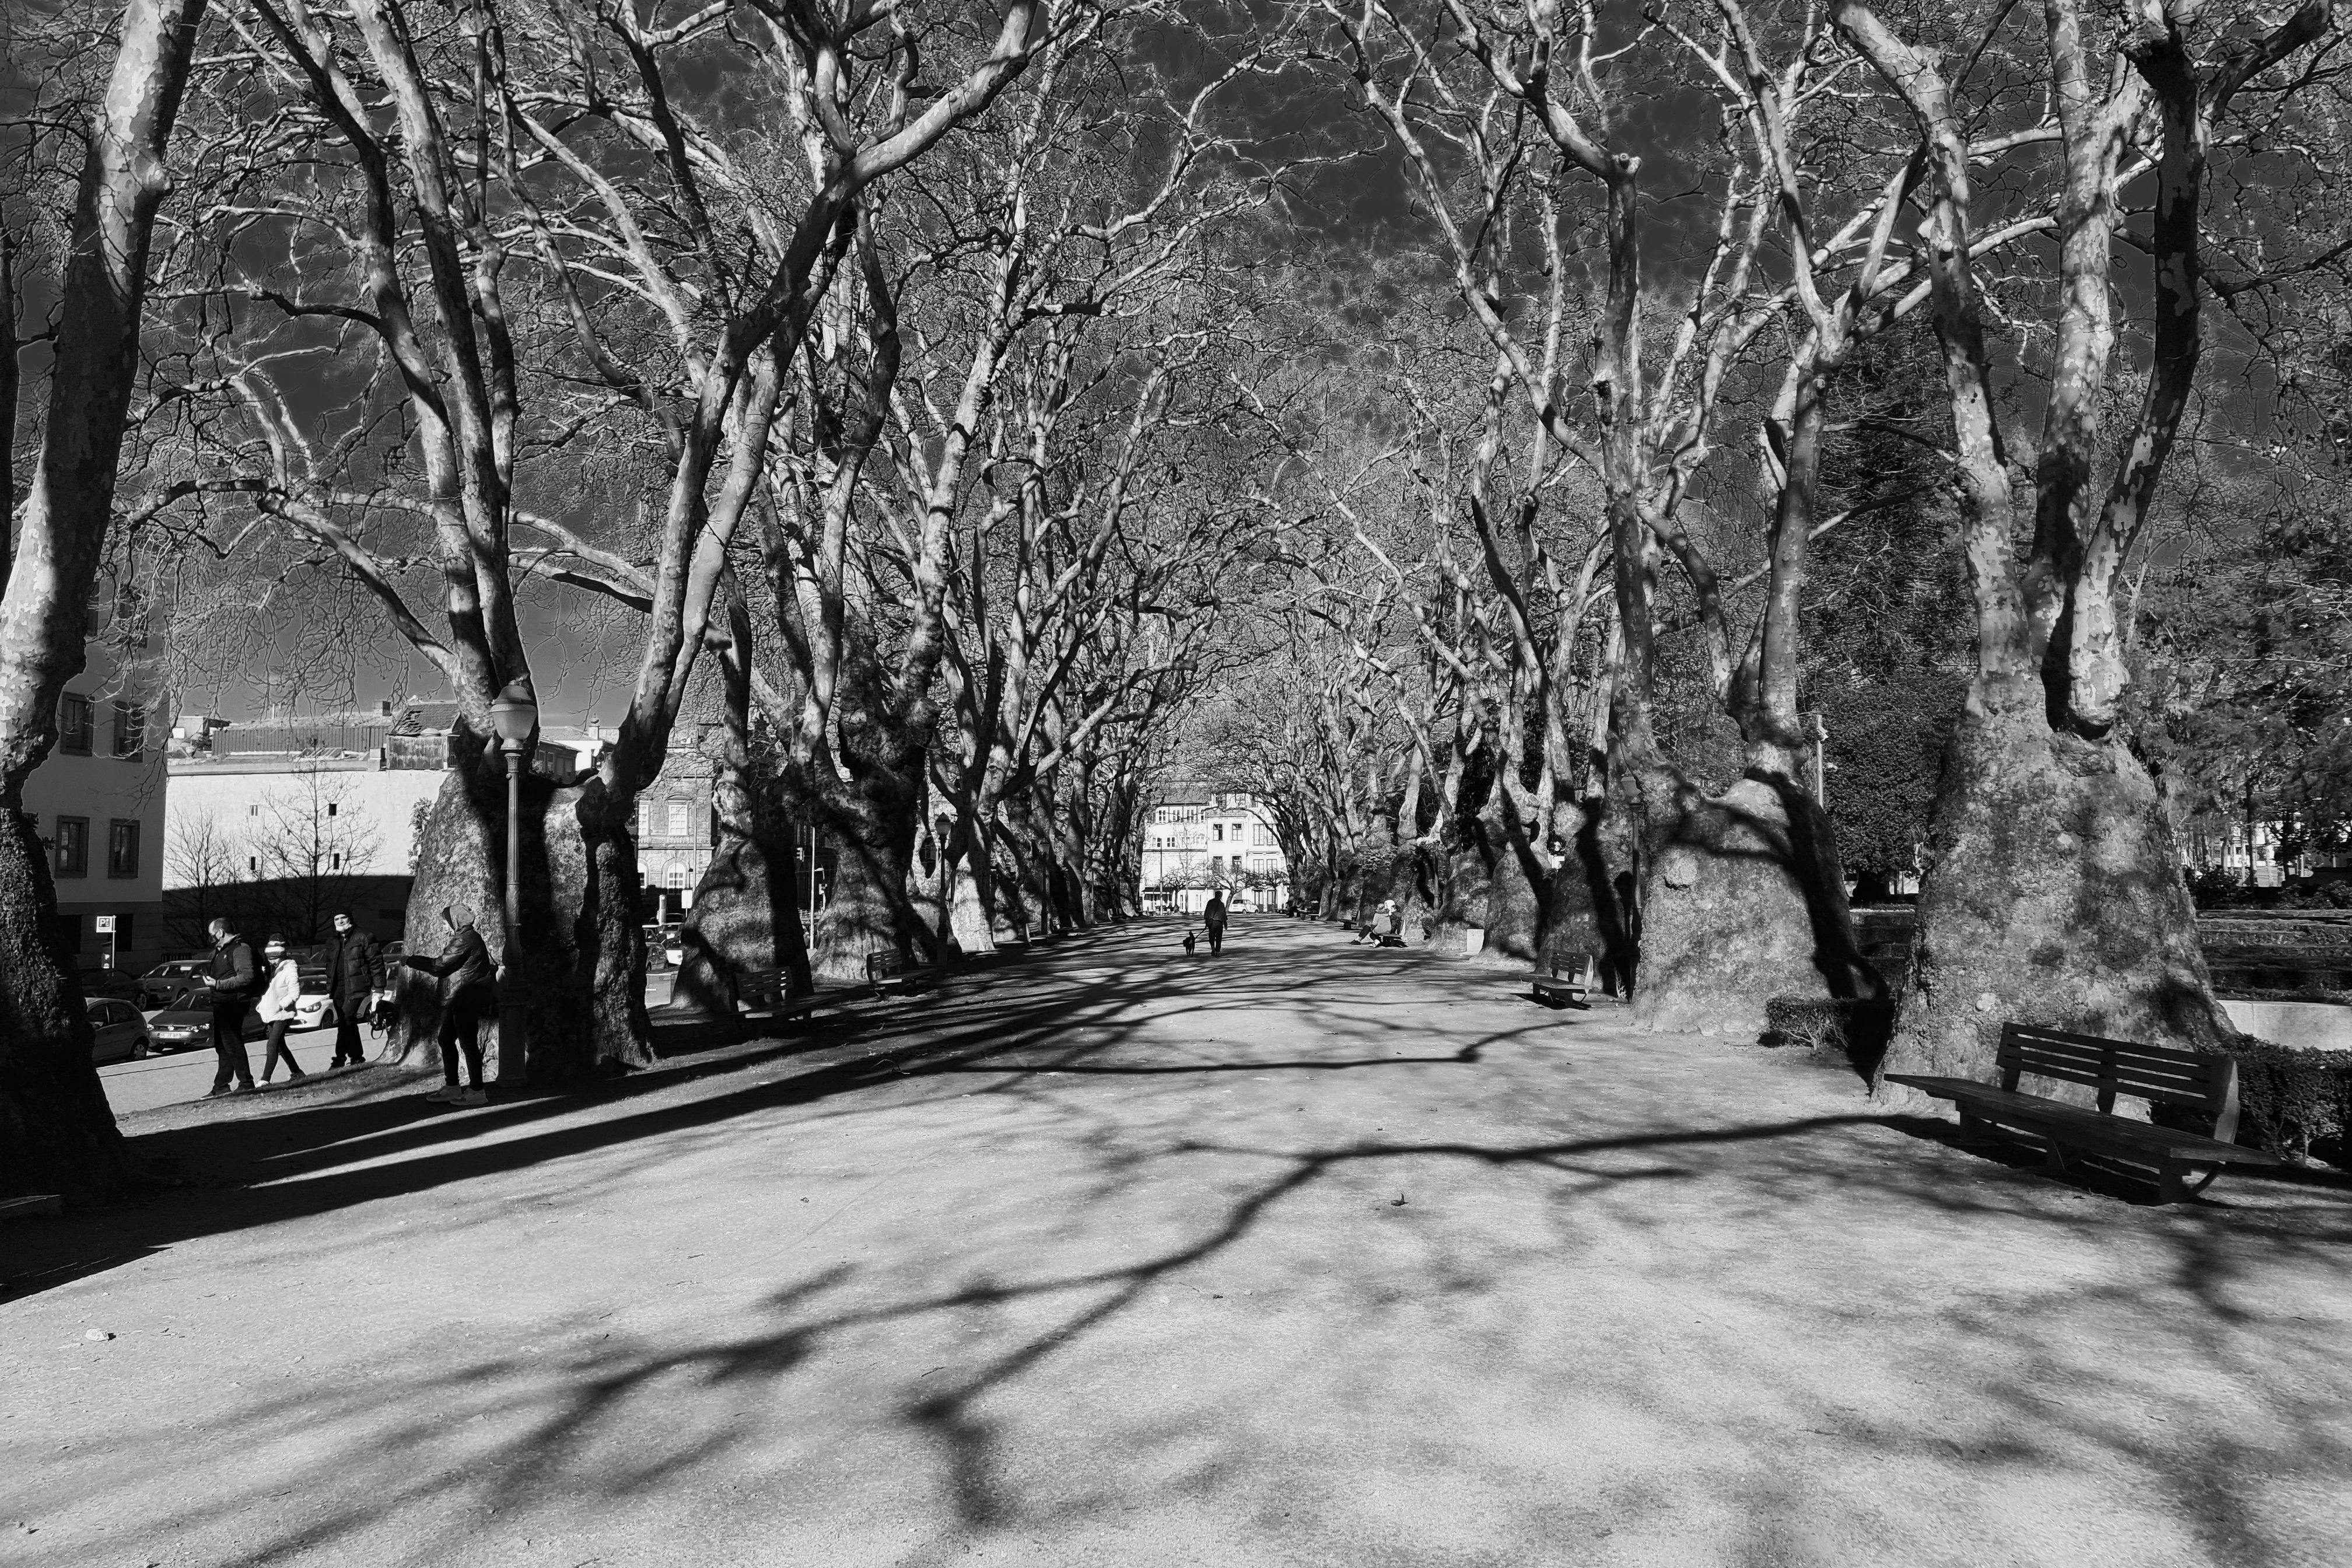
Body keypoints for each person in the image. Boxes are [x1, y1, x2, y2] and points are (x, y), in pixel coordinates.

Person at [403, 904, 495, 1106]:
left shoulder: (465, 939)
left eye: (446, 922)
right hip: (460, 998)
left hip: (465, 998)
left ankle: (477, 1090)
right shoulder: (468, 938)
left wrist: (411, 960)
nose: (445, 927)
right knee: (446, 1039)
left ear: (455, 921)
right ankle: (453, 1086)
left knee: (468, 1043)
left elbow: (439, 965)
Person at [197, 918, 260, 1097]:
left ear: (220, 933)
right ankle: (221, 1085)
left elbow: (247, 977)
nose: (210, 938)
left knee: (232, 1043)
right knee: (222, 1045)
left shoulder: (240, 949)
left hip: (234, 1002)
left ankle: (246, 1082)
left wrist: (218, 984)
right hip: (222, 1002)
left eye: (211, 934)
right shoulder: (220, 951)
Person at [324, 912, 381, 1069]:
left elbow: (376, 963)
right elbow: (329, 966)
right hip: (338, 989)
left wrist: (379, 988)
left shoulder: (364, 937)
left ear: (350, 919)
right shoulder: (332, 941)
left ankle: (339, 1059)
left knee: (345, 1020)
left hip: (357, 987)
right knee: (347, 1023)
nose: (340, 921)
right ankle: (356, 1057)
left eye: (343, 918)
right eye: (336, 919)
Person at [254, 937, 309, 1085]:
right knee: (280, 1045)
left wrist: (284, 1003)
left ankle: (265, 1079)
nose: (271, 961)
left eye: (274, 958)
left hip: (283, 1013)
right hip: (272, 1012)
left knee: (272, 1045)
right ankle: (297, 1072)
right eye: (269, 958)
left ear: (281, 956)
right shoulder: (273, 970)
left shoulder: (290, 968)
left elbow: (294, 992)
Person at [1203, 891, 1228, 957]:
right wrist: (1225, 923)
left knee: (1211, 936)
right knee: (1219, 938)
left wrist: (1206, 922)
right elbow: (1224, 914)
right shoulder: (1221, 904)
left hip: (1212, 922)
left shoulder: (1210, 902)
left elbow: (1207, 912)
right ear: (1220, 896)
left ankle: (1213, 946)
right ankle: (1218, 951)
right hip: (1219, 922)